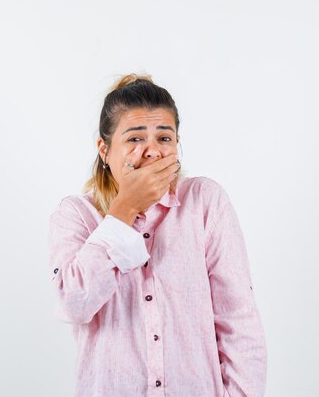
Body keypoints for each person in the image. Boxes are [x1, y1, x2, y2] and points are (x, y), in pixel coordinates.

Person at [47, 73, 267, 397]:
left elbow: (239, 324)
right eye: (135, 139)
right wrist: (124, 211)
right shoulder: (76, 215)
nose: (151, 151)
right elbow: (74, 304)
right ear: (105, 151)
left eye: (164, 138)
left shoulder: (205, 202)